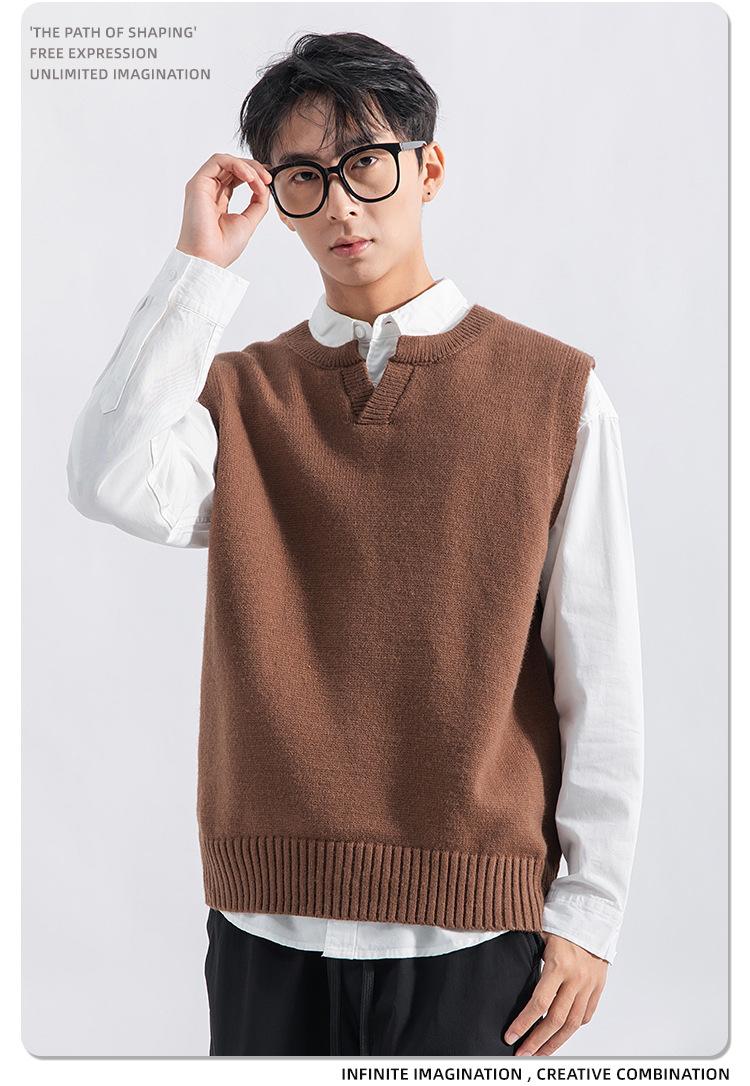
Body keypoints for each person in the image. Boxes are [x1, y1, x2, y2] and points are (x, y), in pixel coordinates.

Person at [66, 31, 644, 1058]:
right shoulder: (244, 397)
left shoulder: (554, 392)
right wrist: (198, 266)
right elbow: (106, 477)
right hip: (265, 927)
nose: (341, 204)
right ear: (276, 196)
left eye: (365, 163)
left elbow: (598, 670)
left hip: (473, 934)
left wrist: (590, 914)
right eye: (304, 178)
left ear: (429, 168)